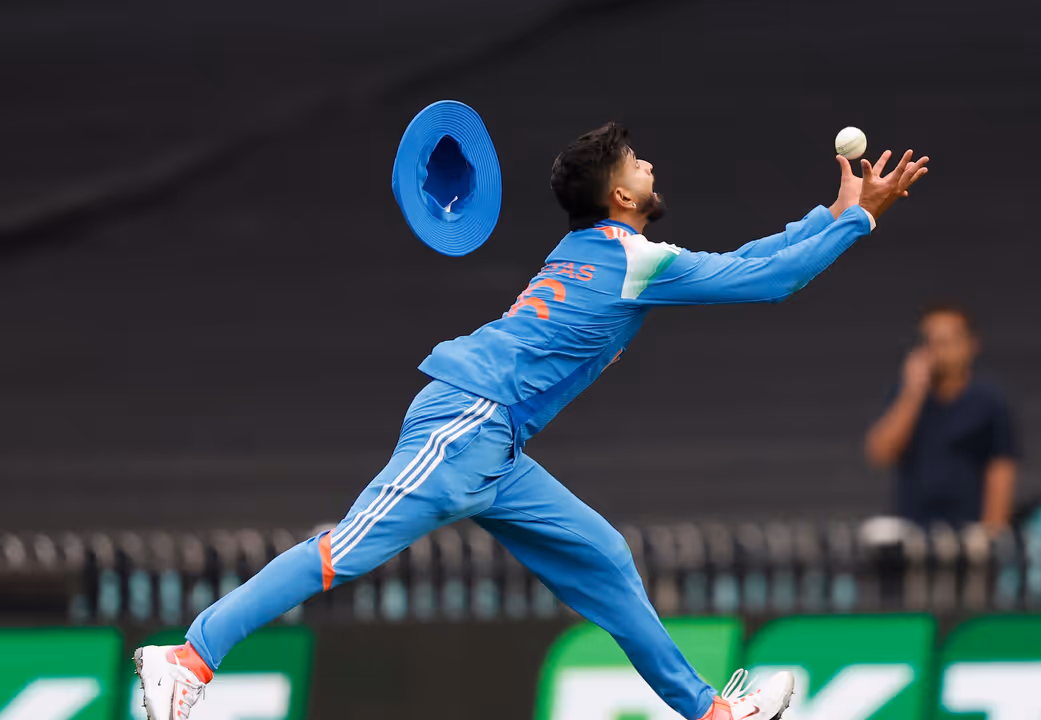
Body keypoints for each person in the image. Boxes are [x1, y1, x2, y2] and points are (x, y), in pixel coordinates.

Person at [133, 123, 928, 720]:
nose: (650, 168)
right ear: (621, 198)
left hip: (497, 445)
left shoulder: (598, 247)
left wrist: (835, 213)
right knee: (344, 550)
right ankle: (188, 657)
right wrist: (853, 221)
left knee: (604, 558)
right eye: (637, 165)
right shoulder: (631, 261)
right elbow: (769, 280)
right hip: (465, 421)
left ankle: (710, 713)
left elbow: (749, 263)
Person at [864, 305, 1019, 531]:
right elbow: (880, 453)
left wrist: (993, 530)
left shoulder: (989, 401)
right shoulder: (907, 396)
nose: (937, 351)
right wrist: (912, 393)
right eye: (930, 342)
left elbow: (1001, 469)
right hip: (913, 529)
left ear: (971, 345)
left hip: (969, 530)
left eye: (945, 342)